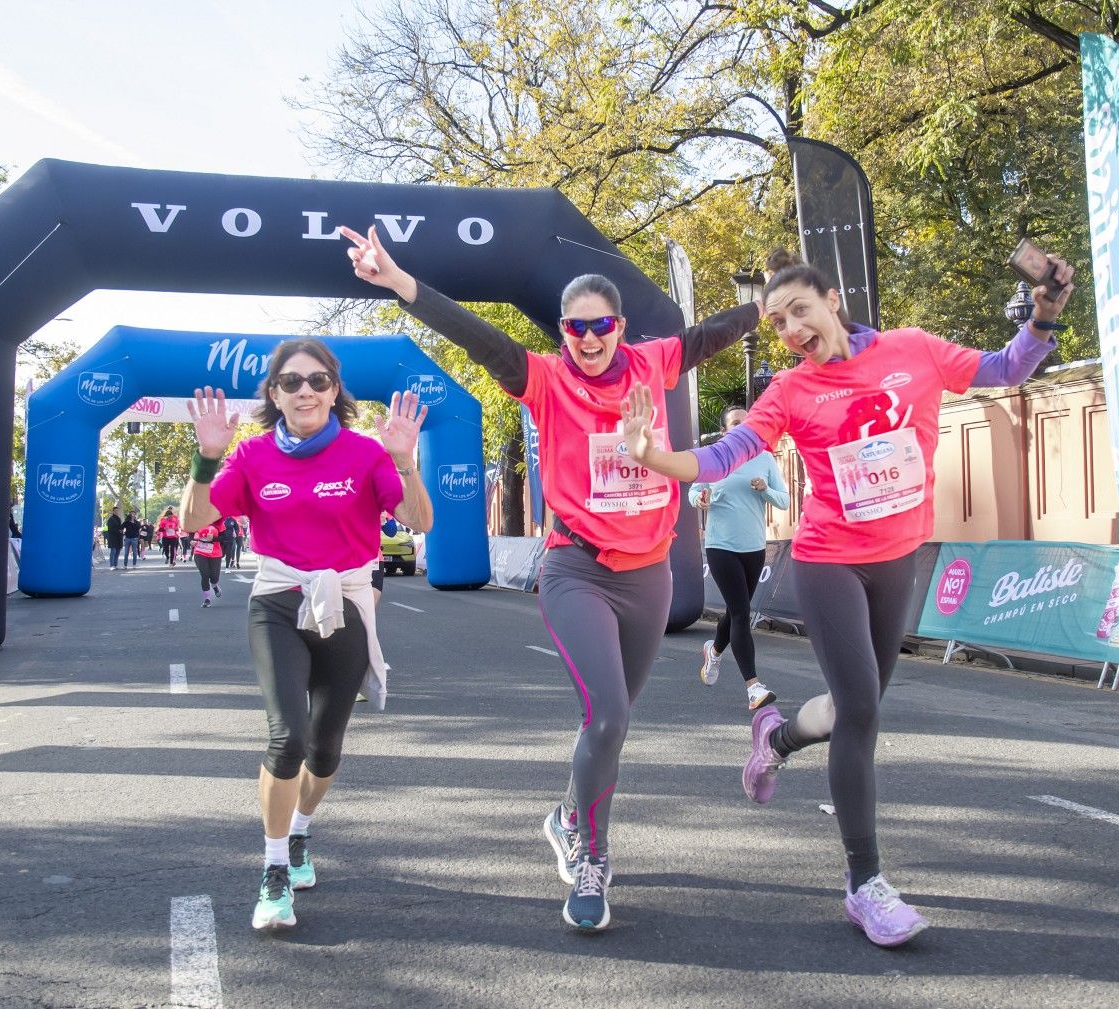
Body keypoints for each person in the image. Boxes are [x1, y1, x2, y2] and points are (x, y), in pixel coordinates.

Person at [619, 248, 1073, 947]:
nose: (790, 328)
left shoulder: (912, 349)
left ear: (832, 299)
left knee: (850, 709)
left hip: (898, 558)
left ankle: (777, 736)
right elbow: (720, 457)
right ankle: (865, 883)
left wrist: (1042, 315)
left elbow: (1003, 369)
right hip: (830, 560)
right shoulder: (791, 392)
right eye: (775, 322)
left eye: (798, 309)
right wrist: (652, 453)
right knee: (861, 707)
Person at [342, 223, 762, 931]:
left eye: (600, 325)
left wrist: (771, 304)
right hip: (576, 569)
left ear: (619, 327)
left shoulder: (652, 362)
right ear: (563, 331)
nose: (589, 337)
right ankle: (591, 855)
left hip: (648, 574)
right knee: (607, 714)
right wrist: (398, 281)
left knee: (610, 728)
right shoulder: (541, 378)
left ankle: (567, 810)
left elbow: (711, 334)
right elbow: (473, 332)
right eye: (576, 327)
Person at [179, 339, 433, 933]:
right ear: (274, 394)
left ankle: (299, 832)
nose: (305, 392)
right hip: (277, 600)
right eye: (291, 383)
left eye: (318, 381)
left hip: (345, 599)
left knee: (323, 750)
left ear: (334, 390)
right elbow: (195, 521)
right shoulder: (252, 455)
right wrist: (207, 459)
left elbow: (420, 522)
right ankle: (272, 871)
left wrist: (405, 461)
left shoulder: (367, 454)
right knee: (286, 737)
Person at [689, 405, 789, 710]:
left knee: (736, 611)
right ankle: (753, 687)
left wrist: (766, 489)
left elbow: (784, 500)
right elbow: (693, 493)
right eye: (735, 423)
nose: (742, 427)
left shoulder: (764, 458)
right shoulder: (715, 457)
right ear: (724, 431)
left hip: (754, 547)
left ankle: (715, 651)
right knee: (742, 612)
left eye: (746, 423)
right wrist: (700, 499)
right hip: (721, 547)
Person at [192, 522, 225, 607]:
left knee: (214, 577)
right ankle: (207, 599)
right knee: (205, 574)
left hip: (215, 554)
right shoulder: (197, 521)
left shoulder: (219, 524)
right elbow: (190, 534)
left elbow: (225, 537)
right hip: (200, 552)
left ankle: (214, 586)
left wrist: (213, 538)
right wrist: (191, 541)